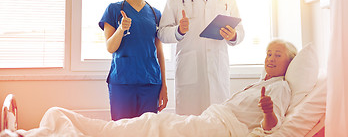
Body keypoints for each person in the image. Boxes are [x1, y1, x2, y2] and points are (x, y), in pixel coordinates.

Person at [9, 39, 296, 137]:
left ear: (290, 62)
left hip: (215, 130)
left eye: (277, 54)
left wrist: (269, 112)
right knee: (144, 125)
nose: (270, 58)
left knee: (144, 128)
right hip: (205, 122)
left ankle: (43, 130)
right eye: (269, 53)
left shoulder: (280, 89)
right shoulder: (260, 84)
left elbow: (272, 128)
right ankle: (49, 127)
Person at [158, 0, 245, 115]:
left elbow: (240, 29)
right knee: (190, 124)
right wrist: (178, 31)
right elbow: (162, 33)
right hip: (190, 71)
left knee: (217, 122)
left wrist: (234, 35)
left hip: (217, 69)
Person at [98, 0, 168, 120]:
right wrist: (121, 29)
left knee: (147, 130)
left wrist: (164, 85)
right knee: (122, 130)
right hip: (122, 82)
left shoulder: (155, 14)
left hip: (150, 83)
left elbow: (160, 53)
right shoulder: (114, 10)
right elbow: (110, 47)